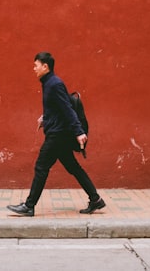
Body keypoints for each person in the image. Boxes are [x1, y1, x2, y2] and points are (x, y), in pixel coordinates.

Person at [6, 52, 106, 217]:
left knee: (41, 167)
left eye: (36, 65)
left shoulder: (54, 84)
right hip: (57, 132)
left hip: (57, 135)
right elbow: (57, 107)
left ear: (45, 66)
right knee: (73, 167)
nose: (34, 69)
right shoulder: (48, 83)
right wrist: (45, 117)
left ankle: (29, 206)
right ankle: (95, 199)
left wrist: (79, 131)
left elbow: (67, 108)